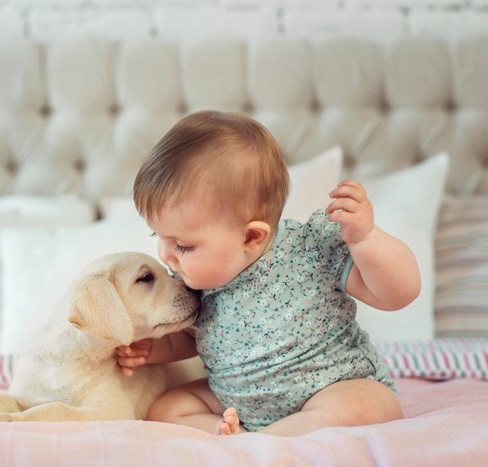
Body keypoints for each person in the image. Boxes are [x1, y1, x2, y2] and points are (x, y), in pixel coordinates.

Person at [115, 110, 420, 436]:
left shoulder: (309, 250)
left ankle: (260, 443)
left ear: (250, 237)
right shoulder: (194, 284)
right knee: (165, 409)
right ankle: (241, 436)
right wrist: (155, 350)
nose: (165, 255)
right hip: (237, 401)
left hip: (329, 386)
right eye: (157, 237)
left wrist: (365, 239)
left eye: (184, 245)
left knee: (365, 407)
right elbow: (192, 340)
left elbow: (399, 293)